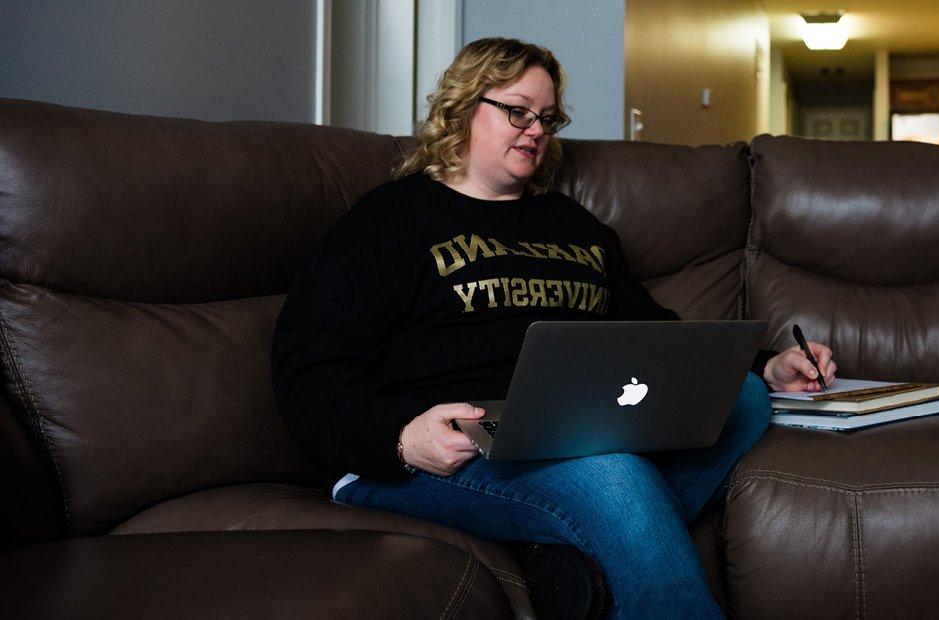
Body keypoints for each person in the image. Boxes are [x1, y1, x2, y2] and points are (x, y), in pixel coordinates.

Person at [271, 37, 837, 619]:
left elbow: (656, 341)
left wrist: (766, 363)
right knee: (615, 478)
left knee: (743, 399)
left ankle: (574, 558)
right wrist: (399, 437)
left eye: (547, 117)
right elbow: (306, 369)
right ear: (464, 108)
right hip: (443, 450)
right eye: (518, 111)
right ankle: (611, 531)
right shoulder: (387, 220)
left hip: (570, 433)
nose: (537, 130)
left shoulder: (575, 227)